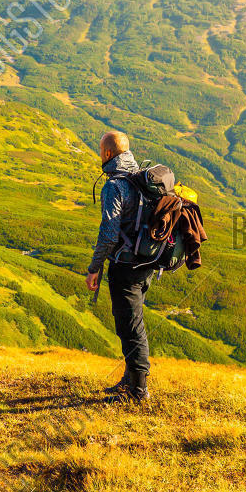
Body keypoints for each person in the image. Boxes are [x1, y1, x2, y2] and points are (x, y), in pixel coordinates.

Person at [84, 130, 150, 403]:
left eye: (101, 150)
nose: (101, 154)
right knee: (132, 323)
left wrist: (94, 267)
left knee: (131, 327)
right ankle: (130, 380)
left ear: (108, 154)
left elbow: (109, 233)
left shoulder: (114, 185)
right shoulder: (141, 178)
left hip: (126, 266)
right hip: (145, 263)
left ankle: (138, 391)